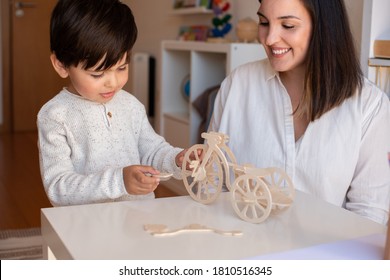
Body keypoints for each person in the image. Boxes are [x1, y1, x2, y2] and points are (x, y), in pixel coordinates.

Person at [208, 0, 390, 225]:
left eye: (288, 26)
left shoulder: (369, 105)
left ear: (324, 27)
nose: (269, 38)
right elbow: (212, 184)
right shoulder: (237, 84)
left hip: (327, 256)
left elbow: (369, 213)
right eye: (264, 22)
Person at [37, 0, 188, 206]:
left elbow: (151, 151)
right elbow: (58, 186)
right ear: (61, 65)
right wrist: (119, 181)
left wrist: (178, 159)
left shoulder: (130, 105)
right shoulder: (55, 115)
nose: (113, 82)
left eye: (122, 67)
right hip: (86, 224)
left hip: (138, 216)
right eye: (97, 73)